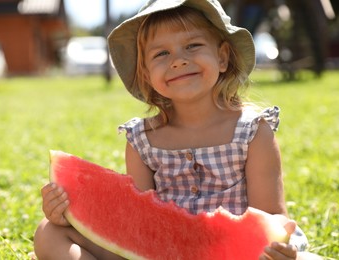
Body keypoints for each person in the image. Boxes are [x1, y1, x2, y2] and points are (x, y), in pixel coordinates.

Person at [34, 0, 321, 259]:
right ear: (147, 74)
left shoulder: (252, 131)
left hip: (234, 252)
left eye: (193, 46)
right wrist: (67, 212)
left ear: (222, 57)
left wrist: (279, 250)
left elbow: (271, 217)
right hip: (160, 251)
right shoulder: (142, 140)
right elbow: (137, 220)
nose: (178, 60)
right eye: (161, 54)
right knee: (49, 232)